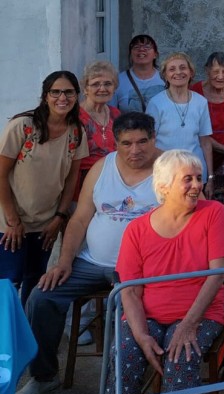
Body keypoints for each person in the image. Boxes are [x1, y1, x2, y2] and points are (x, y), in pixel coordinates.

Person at [12, 112, 161, 394]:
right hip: (92, 262)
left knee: (141, 316)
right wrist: (64, 261)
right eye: (126, 143)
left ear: (154, 139)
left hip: (143, 270)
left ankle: (133, 385)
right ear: (115, 143)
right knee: (42, 297)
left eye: (143, 141)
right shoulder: (103, 167)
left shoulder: (168, 167)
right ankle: (44, 375)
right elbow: (80, 219)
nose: (135, 150)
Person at [105, 150, 224, 394]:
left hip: (200, 314)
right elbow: (130, 292)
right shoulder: (136, 229)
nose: (197, 185)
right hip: (147, 317)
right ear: (163, 186)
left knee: (180, 358)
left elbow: (217, 274)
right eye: (188, 179)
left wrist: (188, 324)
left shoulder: (212, 212)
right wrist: (141, 336)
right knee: (124, 358)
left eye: (199, 178)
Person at [0, 71, 89, 306]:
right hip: (10, 222)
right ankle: (7, 341)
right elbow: (0, 174)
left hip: (45, 223)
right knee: (8, 284)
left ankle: (30, 339)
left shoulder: (77, 131)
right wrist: (12, 220)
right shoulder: (23, 126)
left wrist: (59, 218)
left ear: (77, 96)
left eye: (69, 92)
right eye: (56, 92)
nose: (63, 97)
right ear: (45, 96)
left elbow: (71, 179)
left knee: (35, 281)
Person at [146, 52, 214, 197]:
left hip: (195, 173)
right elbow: (150, 142)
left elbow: (205, 143)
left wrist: (210, 177)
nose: (178, 72)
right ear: (164, 75)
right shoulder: (156, 103)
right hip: (167, 173)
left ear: (191, 72)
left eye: (183, 68)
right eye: (172, 69)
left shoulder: (200, 102)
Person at [190, 52, 224, 200]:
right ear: (207, 71)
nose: (220, 76)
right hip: (201, 152)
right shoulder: (195, 92)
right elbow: (198, 133)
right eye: (215, 71)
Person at [78, 60, 121, 198]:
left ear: (114, 88)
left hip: (112, 183)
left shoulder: (116, 114)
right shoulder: (76, 117)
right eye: (96, 84)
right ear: (85, 89)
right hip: (82, 185)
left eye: (108, 84)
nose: (102, 88)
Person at [111, 34, 165, 113]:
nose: (141, 49)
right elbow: (111, 113)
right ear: (131, 54)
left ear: (155, 55)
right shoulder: (118, 81)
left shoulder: (165, 78)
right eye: (136, 47)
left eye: (147, 47)